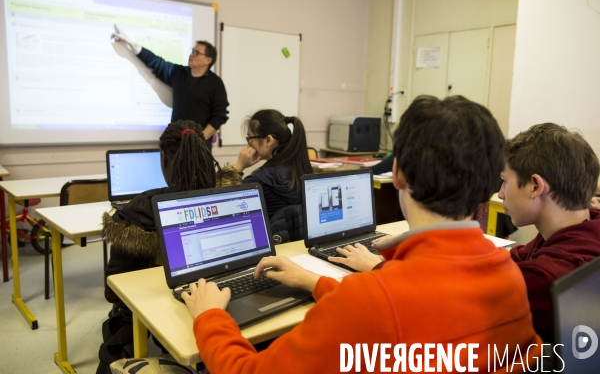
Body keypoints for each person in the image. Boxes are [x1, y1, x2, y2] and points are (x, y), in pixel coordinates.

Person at [181, 95, 542, 373]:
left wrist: (209, 316)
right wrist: (314, 282)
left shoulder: (372, 301)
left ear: (396, 174)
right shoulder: (508, 272)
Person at [97, 120, 242, 374]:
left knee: (120, 319)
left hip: (169, 309)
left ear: (163, 158)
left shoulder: (136, 214)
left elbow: (115, 293)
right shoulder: (229, 196)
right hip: (228, 296)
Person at [499, 123, 600, 342]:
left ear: (535, 186)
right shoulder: (583, 225)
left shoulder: (543, 279)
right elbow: (518, 255)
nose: (500, 194)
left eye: (505, 182)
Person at [111, 25, 229, 150]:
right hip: (175, 143)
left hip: (199, 146)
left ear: (208, 60)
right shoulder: (179, 73)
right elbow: (155, 62)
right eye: (191, 51)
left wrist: (200, 138)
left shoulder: (215, 83)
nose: (191, 54)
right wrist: (130, 42)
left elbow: (220, 115)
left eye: (196, 52)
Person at [232, 109, 313, 217]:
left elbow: (223, 203)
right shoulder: (306, 171)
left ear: (268, 141)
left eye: (250, 138)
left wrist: (238, 167)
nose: (248, 144)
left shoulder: (258, 182)